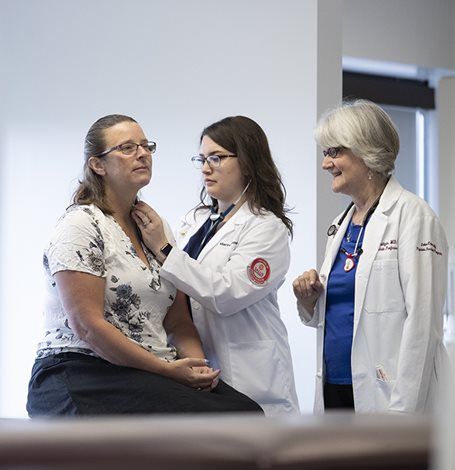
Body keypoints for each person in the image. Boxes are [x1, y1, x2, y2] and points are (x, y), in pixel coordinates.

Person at [26, 114, 263, 416]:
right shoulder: (81, 225)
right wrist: (169, 371)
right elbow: (87, 327)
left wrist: (197, 370)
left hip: (144, 371)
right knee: (221, 422)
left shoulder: (153, 225)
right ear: (97, 165)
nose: (142, 153)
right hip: (81, 369)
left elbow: (177, 321)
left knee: (246, 412)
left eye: (146, 146)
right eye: (127, 147)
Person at [132, 115, 300, 416]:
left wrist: (165, 249)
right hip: (199, 365)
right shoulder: (194, 220)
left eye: (217, 158)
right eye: (202, 158)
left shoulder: (265, 227)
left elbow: (227, 293)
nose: (205, 168)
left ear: (247, 162)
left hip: (250, 374)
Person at [292, 99, 449, 414]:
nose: (325, 164)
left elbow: (422, 324)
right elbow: (345, 312)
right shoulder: (342, 225)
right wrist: (309, 300)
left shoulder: (413, 215)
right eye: (325, 153)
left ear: (367, 151)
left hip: (388, 395)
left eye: (335, 152)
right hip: (336, 386)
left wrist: (402, 415)